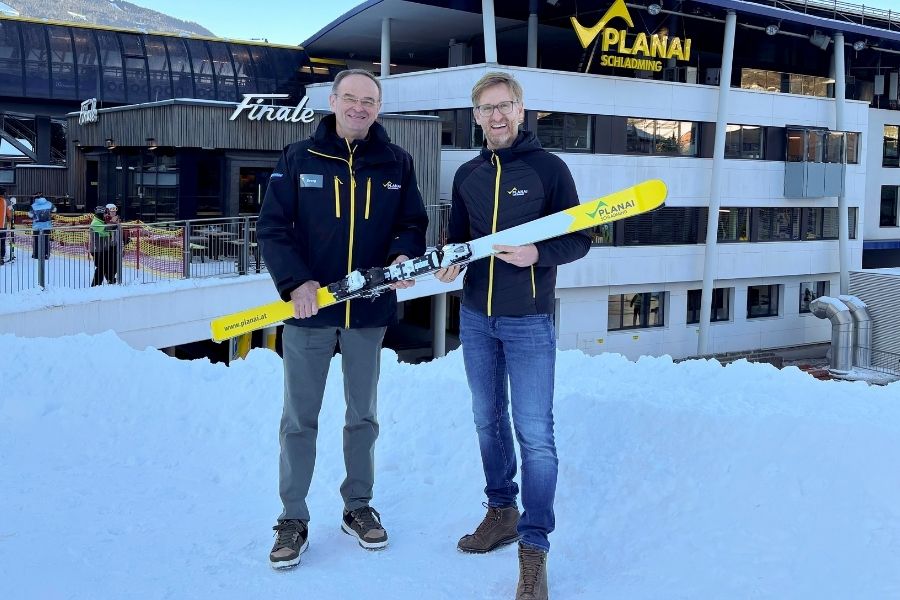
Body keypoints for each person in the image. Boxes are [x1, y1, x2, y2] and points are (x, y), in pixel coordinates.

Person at [256, 68, 428, 569]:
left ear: (378, 107)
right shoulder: (298, 157)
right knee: (299, 420)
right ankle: (293, 517)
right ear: (332, 101)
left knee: (363, 417)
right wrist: (295, 282)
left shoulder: (397, 161)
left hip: (368, 312)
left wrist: (402, 255)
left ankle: (358, 506)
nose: (359, 107)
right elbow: (272, 227)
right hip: (310, 313)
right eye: (349, 98)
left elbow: (411, 223)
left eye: (369, 100)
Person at [435, 71, 591, 600]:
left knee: (535, 433)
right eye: (486, 108)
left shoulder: (550, 170)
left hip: (528, 320)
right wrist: (451, 260)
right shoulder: (467, 174)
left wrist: (538, 254)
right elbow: (457, 237)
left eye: (505, 106)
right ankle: (501, 511)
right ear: (475, 116)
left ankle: (534, 548)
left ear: (522, 111)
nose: (496, 116)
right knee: (487, 420)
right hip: (477, 316)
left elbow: (581, 238)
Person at [89, 205, 115, 286]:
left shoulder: (100, 221)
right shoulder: (96, 223)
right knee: (101, 267)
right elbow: (105, 230)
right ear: (100, 214)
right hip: (97, 249)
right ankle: (95, 285)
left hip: (103, 248)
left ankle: (111, 280)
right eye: (105, 214)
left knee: (106, 265)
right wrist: (113, 223)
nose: (106, 215)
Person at [27, 193, 55, 260]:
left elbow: (30, 215)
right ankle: (46, 254)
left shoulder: (33, 206)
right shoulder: (49, 204)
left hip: (37, 226)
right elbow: (54, 210)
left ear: (36, 199)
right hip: (47, 226)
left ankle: (36, 254)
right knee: (46, 240)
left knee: (36, 240)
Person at [0, 189, 11, 265]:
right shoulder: (6, 201)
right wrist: (9, 220)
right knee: (2, 242)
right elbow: (9, 214)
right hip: (2, 225)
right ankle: (1, 257)